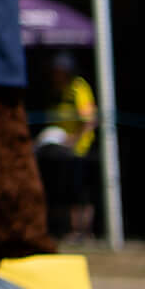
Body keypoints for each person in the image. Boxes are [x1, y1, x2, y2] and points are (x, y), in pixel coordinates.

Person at [35, 54, 98, 242]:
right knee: (66, 192)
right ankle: (70, 230)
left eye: (59, 71)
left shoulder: (78, 88)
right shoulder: (58, 90)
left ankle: (83, 231)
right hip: (60, 150)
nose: (55, 75)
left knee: (81, 193)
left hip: (79, 150)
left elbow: (89, 120)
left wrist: (74, 139)